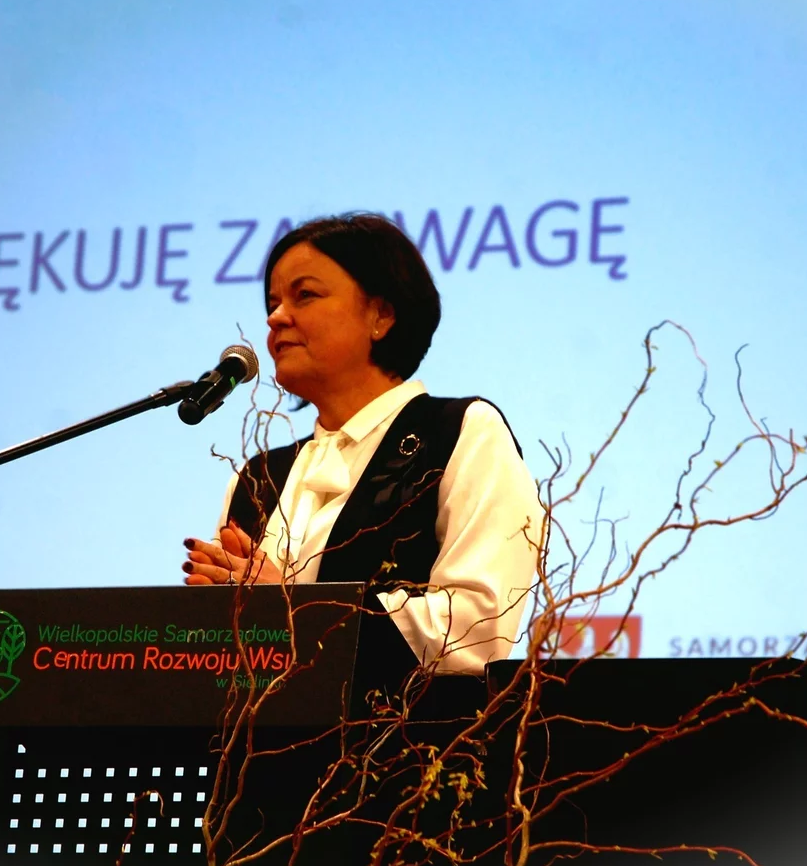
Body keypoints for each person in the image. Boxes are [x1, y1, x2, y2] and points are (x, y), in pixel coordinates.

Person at [181, 213, 542, 673]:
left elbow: (473, 630)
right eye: (272, 303)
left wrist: (295, 611)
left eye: (304, 295)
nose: (275, 317)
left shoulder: (460, 432)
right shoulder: (258, 477)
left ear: (381, 315)